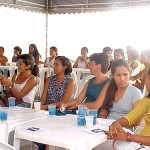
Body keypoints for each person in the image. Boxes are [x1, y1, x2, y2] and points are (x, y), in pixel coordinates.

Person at [106, 65, 150, 148]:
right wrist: (117, 123)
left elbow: (136, 122)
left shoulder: (134, 91)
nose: (144, 82)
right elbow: (131, 116)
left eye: (146, 78)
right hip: (141, 142)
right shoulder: (147, 99)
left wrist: (128, 136)